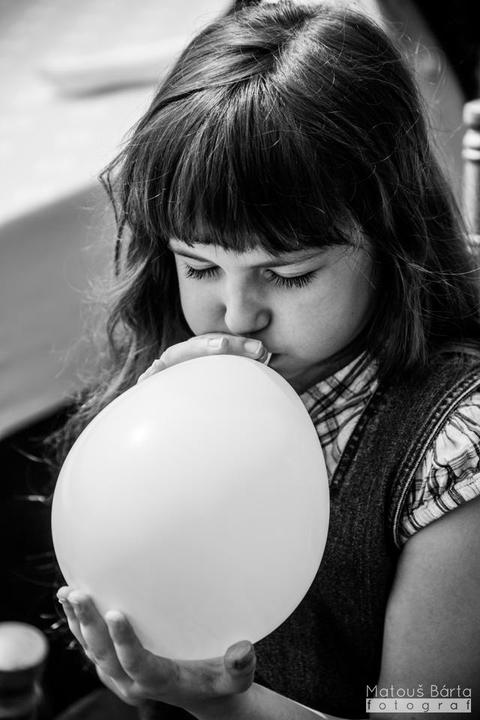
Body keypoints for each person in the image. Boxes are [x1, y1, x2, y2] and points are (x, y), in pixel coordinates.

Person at [54, 1, 480, 718]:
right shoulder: (182, 374)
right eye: (199, 266)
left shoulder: (455, 457)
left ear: (391, 239)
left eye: (286, 275)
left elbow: (428, 711)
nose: (236, 314)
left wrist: (220, 705)